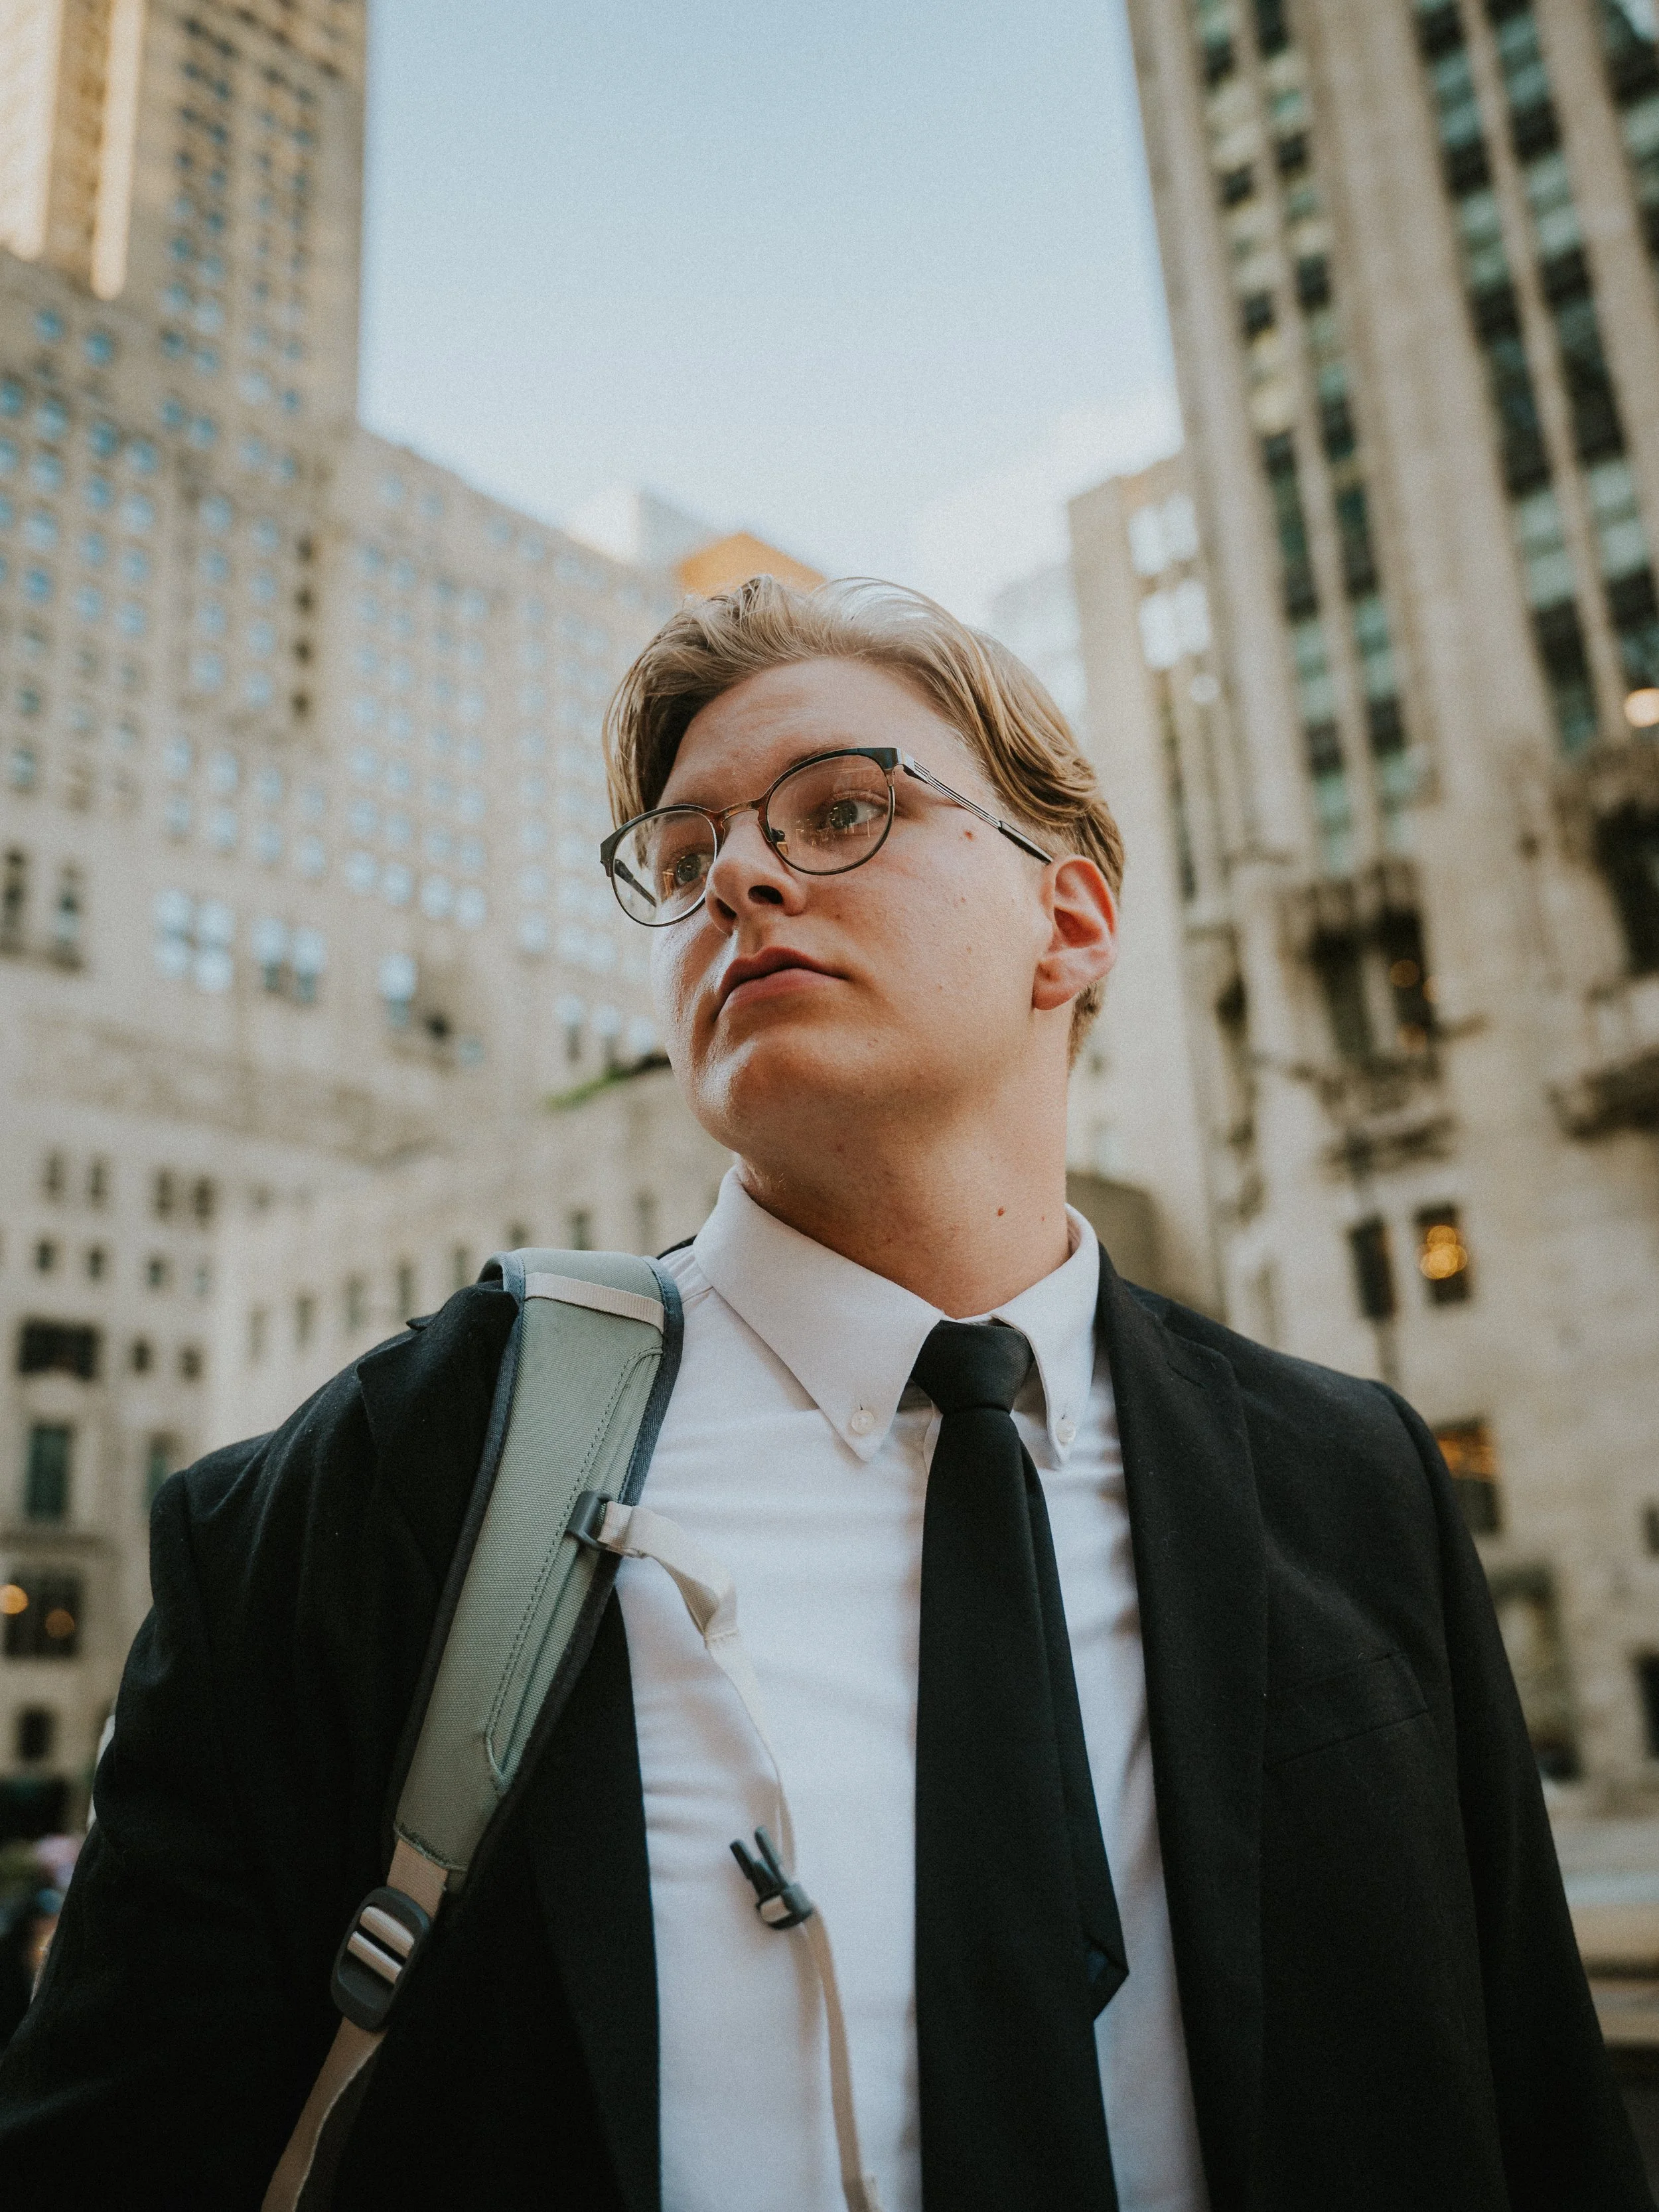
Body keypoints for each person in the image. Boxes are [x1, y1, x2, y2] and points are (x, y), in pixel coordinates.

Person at [0, 577, 1646, 2212]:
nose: (737, 876)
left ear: (1064, 925)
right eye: (681, 855)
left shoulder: (1350, 1477)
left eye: (841, 808)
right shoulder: (380, 1484)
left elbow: (1532, 2109)